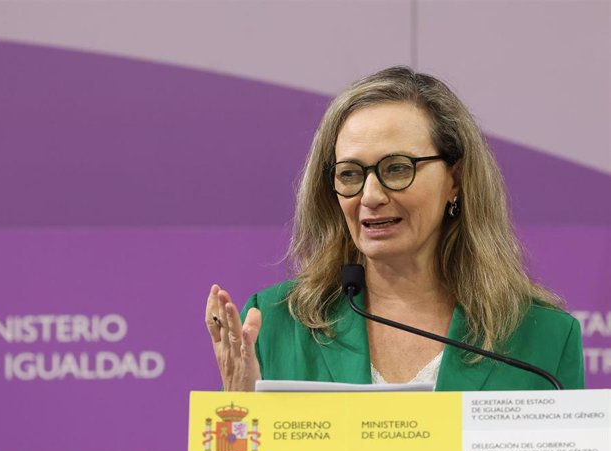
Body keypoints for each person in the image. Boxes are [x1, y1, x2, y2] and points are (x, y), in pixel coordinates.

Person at [205, 66, 585, 392]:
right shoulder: (276, 323)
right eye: (350, 174)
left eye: (397, 168)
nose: (370, 196)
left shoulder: (544, 339)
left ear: (456, 179)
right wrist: (238, 409)